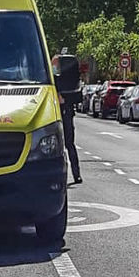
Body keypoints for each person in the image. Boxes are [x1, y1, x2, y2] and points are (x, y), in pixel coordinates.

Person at [56, 56, 83, 184]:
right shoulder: (72, 80)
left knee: (57, 146)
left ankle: (60, 175)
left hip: (58, 114)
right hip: (68, 112)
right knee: (70, 144)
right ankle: (76, 174)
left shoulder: (56, 79)